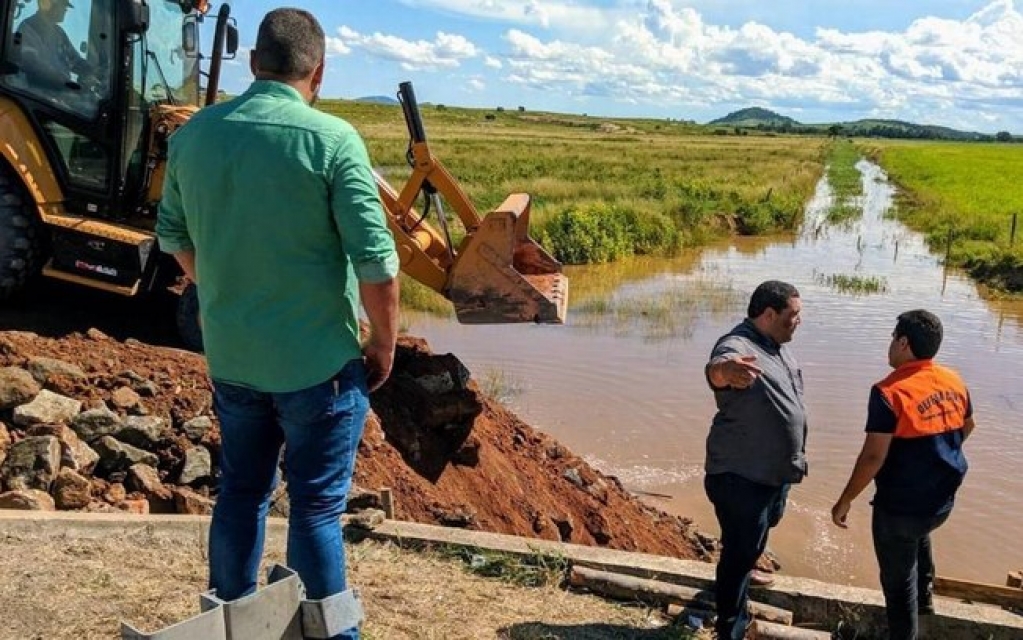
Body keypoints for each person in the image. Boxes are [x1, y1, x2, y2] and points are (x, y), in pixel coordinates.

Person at [156, 8, 399, 640]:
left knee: (241, 492)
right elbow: (376, 263)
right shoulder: (333, 140)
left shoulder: (193, 137)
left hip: (233, 358)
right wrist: (383, 344)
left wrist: (226, 286)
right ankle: (333, 636)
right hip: (318, 366)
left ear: (253, 63)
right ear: (319, 71)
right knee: (317, 508)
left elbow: (174, 238)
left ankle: (231, 627)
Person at [831, 310, 974, 640]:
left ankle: (906, 629)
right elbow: (968, 426)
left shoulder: (889, 392)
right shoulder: (954, 380)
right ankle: (925, 603)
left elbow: (872, 456)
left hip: (899, 510)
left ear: (904, 342)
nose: (890, 345)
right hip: (941, 503)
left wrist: (845, 500)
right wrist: (935, 454)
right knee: (919, 537)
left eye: (893, 338)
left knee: (898, 587)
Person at [703, 280, 807, 640]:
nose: (799, 322)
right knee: (738, 552)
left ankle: (747, 564)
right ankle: (730, 627)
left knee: (761, 530)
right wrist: (725, 372)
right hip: (740, 473)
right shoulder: (739, 345)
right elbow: (717, 368)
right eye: (793, 316)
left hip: (771, 472)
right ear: (768, 314)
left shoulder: (777, 347)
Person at [16, 0, 94, 91]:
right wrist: (68, 84)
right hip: (36, 91)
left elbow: (74, 60)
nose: (65, 10)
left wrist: (90, 70)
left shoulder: (59, 33)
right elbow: (33, 67)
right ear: (46, 4)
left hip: (59, 91)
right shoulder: (28, 28)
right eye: (62, 5)